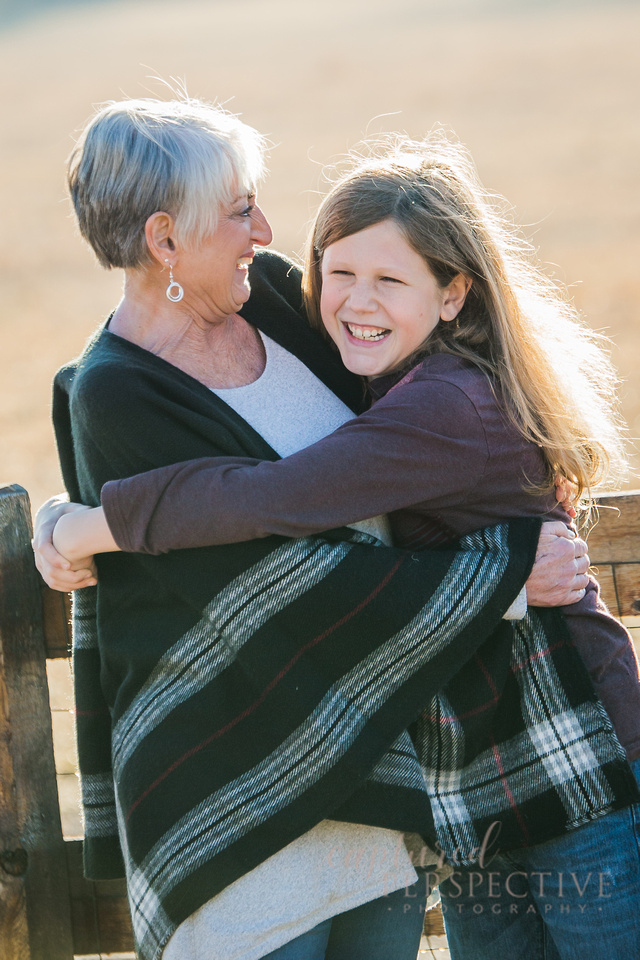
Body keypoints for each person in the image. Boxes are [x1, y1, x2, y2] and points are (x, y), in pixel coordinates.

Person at [41, 132, 640, 958]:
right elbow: (246, 532)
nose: (265, 230)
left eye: (391, 279)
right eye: (240, 207)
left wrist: (94, 521)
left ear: (454, 294)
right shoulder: (310, 341)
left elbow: (281, 496)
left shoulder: (423, 393)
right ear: (165, 237)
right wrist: (70, 517)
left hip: (564, 736)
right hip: (448, 767)